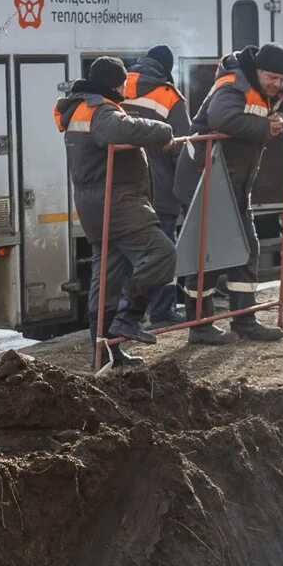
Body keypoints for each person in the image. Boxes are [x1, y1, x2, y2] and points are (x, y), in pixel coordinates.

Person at [55, 55, 179, 366]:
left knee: (106, 278)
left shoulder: (79, 107)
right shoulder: (101, 109)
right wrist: (164, 131)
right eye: (123, 83)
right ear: (116, 83)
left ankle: (105, 353)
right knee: (163, 253)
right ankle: (129, 317)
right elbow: (121, 130)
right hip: (118, 202)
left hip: (95, 206)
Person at [175, 41, 283, 343]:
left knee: (247, 248)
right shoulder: (232, 84)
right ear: (258, 70)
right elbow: (222, 119)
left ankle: (243, 321)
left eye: (281, 80)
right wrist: (265, 128)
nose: (277, 85)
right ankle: (200, 326)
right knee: (207, 253)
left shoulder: (273, 90)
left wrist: (282, 120)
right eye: (272, 78)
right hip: (204, 177)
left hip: (232, 182)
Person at [121, 44, 199, 332]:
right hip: (160, 188)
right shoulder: (168, 96)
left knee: (130, 255)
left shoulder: (120, 86)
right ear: (167, 68)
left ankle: (127, 316)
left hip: (127, 188)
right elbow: (182, 147)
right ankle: (163, 311)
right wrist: (188, 191)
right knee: (165, 251)